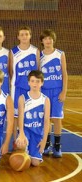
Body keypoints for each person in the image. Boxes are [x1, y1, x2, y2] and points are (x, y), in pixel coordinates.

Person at [9, 26, 40, 149]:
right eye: (21, 34)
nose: (24, 37)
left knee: (29, 114)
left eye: (26, 34)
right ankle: (16, 141)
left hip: (31, 88)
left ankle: (29, 140)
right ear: (18, 36)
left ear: (30, 35)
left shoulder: (35, 51)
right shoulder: (13, 52)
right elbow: (11, 71)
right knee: (15, 116)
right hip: (17, 88)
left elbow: (38, 70)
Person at [39, 29, 68, 157]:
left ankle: (57, 146)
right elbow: (38, 74)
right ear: (42, 41)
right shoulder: (39, 55)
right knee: (45, 119)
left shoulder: (60, 54)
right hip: (44, 91)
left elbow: (64, 74)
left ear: (53, 40)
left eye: (50, 38)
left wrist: (64, 91)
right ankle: (46, 143)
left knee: (56, 118)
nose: (48, 40)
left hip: (57, 91)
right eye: (45, 38)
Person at [16, 70, 50, 167]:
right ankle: (23, 150)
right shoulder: (22, 98)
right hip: (26, 131)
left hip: (38, 132)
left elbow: (47, 121)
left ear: (42, 83)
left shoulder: (45, 100)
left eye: (38, 81)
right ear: (28, 82)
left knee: (35, 163)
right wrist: (21, 133)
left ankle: (30, 154)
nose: (35, 84)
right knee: (21, 144)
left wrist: (44, 140)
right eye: (32, 81)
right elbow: (20, 118)